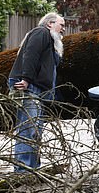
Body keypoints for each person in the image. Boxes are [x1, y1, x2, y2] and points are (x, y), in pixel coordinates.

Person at [8, 12, 65, 172]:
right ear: (49, 24)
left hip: (38, 90)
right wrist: (26, 79)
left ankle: (32, 170)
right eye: (61, 25)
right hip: (28, 86)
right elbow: (30, 54)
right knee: (28, 130)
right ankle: (22, 171)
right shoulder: (41, 33)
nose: (63, 30)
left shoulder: (52, 42)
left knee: (36, 132)